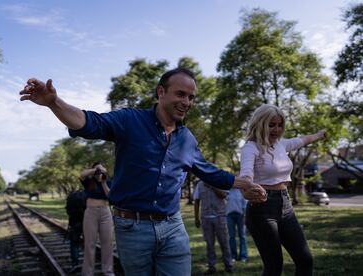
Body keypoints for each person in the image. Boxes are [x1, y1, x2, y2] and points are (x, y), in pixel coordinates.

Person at [19, 68, 266, 275]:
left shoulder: (187, 139)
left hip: (173, 227)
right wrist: (54, 103)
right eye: (180, 94)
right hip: (132, 228)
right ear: (161, 92)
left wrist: (244, 183)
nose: (186, 102)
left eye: (191, 97)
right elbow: (89, 122)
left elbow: (209, 172)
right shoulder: (130, 120)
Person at [239, 104, 326, 276]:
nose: (277, 130)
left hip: (286, 206)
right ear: (260, 124)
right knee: (274, 267)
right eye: (271, 125)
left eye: (280, 125)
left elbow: (303, 140)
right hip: (262, 209)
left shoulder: (281, 144)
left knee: (305, 260)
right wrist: (247, 187)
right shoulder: (251, 148)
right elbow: (246, 173)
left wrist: (319, 135)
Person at [79, 162, 114, 276]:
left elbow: (110, 196)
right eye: (96, 169)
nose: (99, 171)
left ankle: (108, 271)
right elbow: (82, 174)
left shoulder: (107, 180)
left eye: (101, 168)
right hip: (91, 212)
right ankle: (87, 272)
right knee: (89, 243)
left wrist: (103, 180)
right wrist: (95, 170)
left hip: (105, 212)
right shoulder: (89, 181)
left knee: (107, 243)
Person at [194, 180, 233, 274]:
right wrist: (196, 218)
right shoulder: (199, 184)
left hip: (220, 217)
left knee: (224, 242)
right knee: (209, 244)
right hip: (206, 218)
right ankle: (211, 267)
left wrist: (212, 185)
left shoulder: (219, 181)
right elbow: (196, 200)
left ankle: (228, 265)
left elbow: (224, 195)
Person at [226, 188, 248, 263]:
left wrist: (245, 216)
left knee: (242, 236)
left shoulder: (241, 191)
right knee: (231, 236)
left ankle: (243, 256)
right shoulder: (227, 191)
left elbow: (245, 204)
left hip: (240, 215)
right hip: (229, 216)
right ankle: (233, 256)